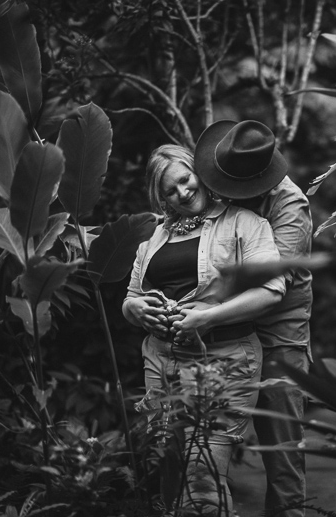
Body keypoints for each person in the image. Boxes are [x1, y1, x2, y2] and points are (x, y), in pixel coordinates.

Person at [122, 144, 286, 515]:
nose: (182, 192)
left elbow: (271, 291)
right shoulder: (155, 238)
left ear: (199, 173)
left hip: (223, 360)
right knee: (169, 471)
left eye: (185, 179)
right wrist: (135, 309)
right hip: (162, 362)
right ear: (159, 197)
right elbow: (131, 298)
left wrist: (206, 317)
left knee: (202, 478)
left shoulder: (244, 224)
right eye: (170, 190)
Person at [195, 120, 313, 517]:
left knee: (280, 444)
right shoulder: (217, 187)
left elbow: (267, 285)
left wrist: (204, 308)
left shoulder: (290, 207)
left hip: (278, 332)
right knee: (207, 435)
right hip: (223, 327)